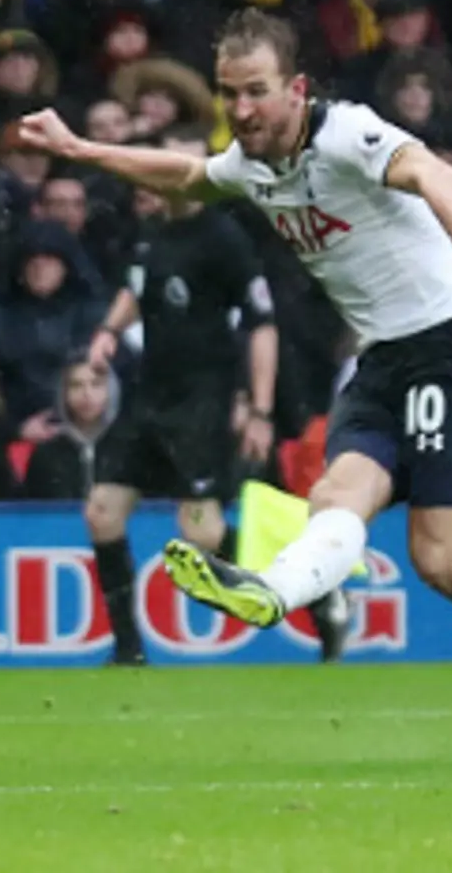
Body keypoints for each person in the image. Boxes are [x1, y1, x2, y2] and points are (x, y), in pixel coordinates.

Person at [16, 10, 452, 764]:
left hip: (451, 342)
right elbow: (189, 176)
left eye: (256, 92)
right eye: (228, 94)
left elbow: (433, 173)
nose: (241, 111)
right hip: (382, 359)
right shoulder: (250, 160)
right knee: (337, 497)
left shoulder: (348, 135)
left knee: (442, 559)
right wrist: (79, 149)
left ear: (296, 89)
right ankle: (272, 591)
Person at [82, 144, 348, 666]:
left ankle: (317, 591)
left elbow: (261, 324)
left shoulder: (224, 240)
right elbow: (136, 287)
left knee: (200, 532)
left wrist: (261, 410)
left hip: (202, 402)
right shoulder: (152, 232)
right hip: (149, 395)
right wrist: (108, 332)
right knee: (102, 513)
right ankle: (128, 651)